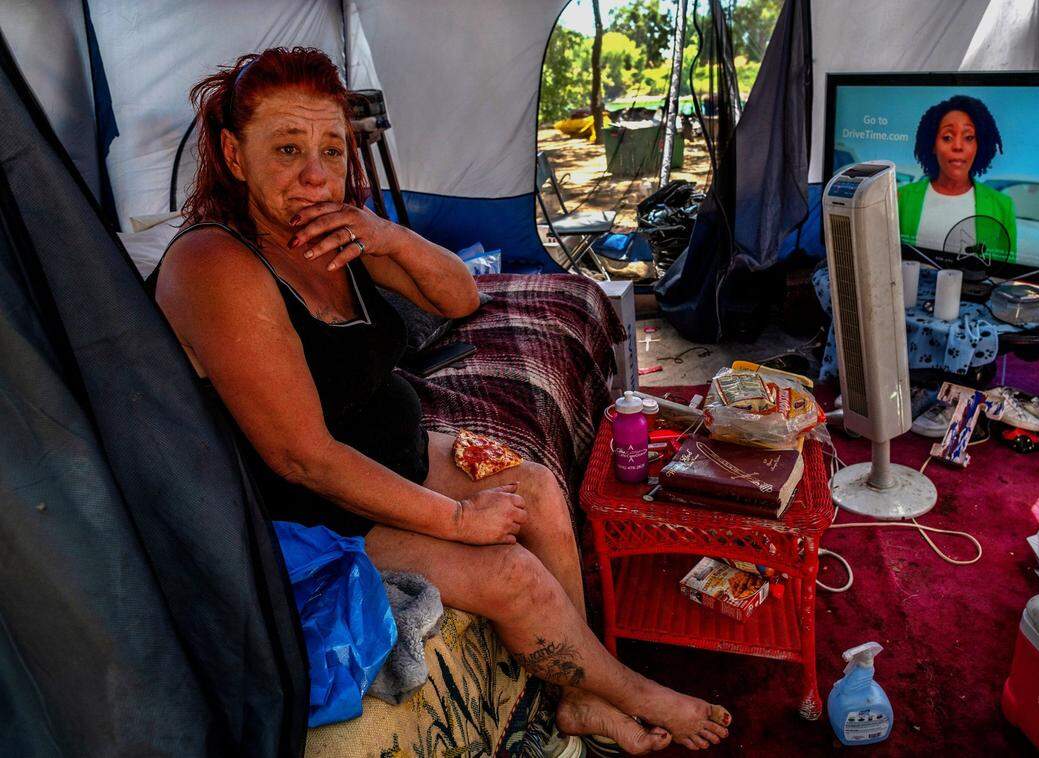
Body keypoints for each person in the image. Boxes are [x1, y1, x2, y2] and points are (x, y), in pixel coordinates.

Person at [151, 47, 730, 753]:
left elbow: (460, 296)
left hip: (390, 451)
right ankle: (632, 690)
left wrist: (385, 235)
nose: (314, 174)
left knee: (540, 490)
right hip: (305, 512)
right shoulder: (214, 265)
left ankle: (578, 695)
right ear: (235, 156)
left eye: (331, 150)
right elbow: (303, 459)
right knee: (509, 573)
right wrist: (457, 519)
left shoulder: (336, 229)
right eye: (288, 149)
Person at [897, 94, 1017, 263]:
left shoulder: (1002, 206)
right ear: (932, 144)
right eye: (948, 137)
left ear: (979, 146)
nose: (958, 146)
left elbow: (1005, 275)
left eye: (969, 137)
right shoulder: (900, 198)